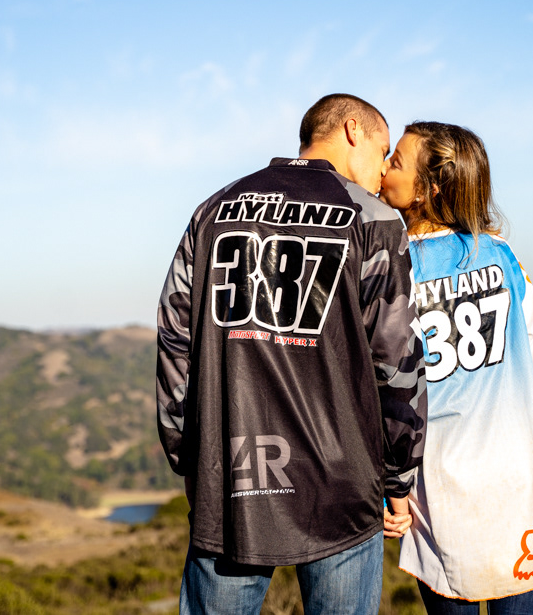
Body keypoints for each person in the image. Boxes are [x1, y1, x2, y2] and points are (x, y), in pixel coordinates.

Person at [156, 94, 427, 615]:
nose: (381, 172)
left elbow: (174, 340)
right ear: (353, 130)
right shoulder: (372, 218)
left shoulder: (212, 211)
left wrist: (188, 456)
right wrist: (399, 476)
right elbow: (397, 360)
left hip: (230, 480)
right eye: (383, 150)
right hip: (343, 487)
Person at [379, 122, 533, 614]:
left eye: (395, 161)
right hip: (522, 488)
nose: (383, 168)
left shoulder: (390, 269)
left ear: (427, 190)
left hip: (437, 497)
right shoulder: (502, 256)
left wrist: (386, 487)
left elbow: (382, 390)